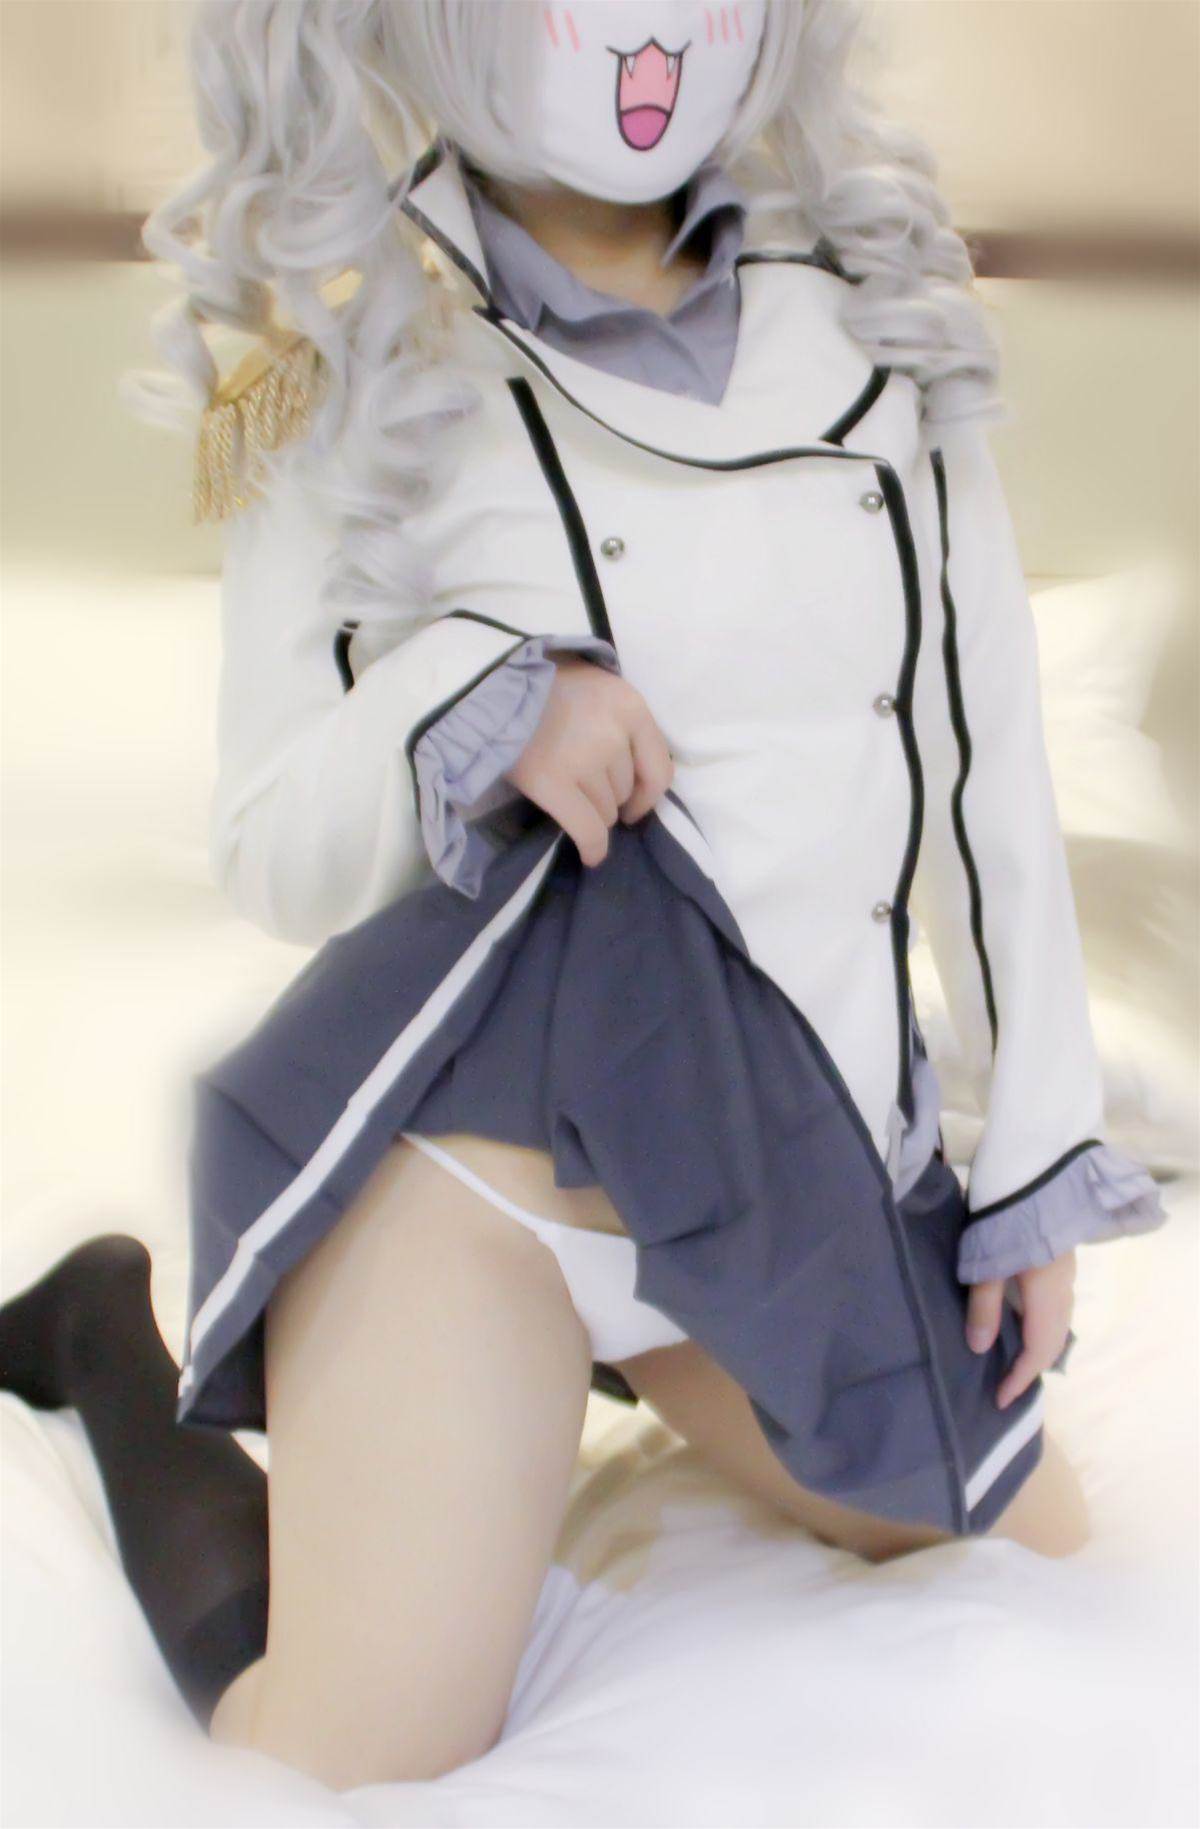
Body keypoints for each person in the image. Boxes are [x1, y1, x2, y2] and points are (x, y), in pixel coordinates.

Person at [0, 0, 1166, 1793]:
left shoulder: (883, 313)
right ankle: (102, 1334)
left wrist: (1030, 1165)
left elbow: (984, 763)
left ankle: (638, 1371)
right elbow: (268, 839)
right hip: (490, 1185)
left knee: (1030, 1548)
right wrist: (482, 696)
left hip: (783, 1153)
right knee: (343, 1749)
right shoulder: (334, 347)